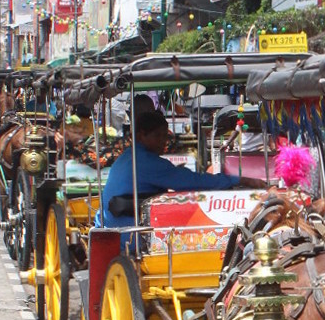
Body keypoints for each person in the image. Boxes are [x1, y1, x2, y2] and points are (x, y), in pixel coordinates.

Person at [98, 98, 234, 230]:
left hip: (111, 226)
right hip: (128, 233)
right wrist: (234, 180)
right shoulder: (147, 162)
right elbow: (191, 181)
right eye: (157, 136)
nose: (163, 141)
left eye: (164, 136)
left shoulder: (128, 156)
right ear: (141, 136)